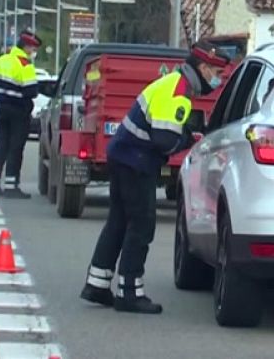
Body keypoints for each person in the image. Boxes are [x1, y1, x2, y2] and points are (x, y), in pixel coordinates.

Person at [80, 41, 231, 314]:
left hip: (124, 155)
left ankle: (97, 284)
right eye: (215, 73)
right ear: (204, 68)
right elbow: (165, 141)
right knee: (141, 225)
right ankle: (129, 292)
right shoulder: (178, 93)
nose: (216, 80)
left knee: (118, 221)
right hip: (136, 162)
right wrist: (189, 137)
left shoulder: (171, 82)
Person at [0, 30, 41, 198]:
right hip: (19, 112)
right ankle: (11, 186)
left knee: (1, 145)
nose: (33, 52)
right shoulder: (24, 65)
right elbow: (31, 91)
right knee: (15, 148)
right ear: (25, 47)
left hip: (2, 108)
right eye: (32, 48)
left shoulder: (2, 60)